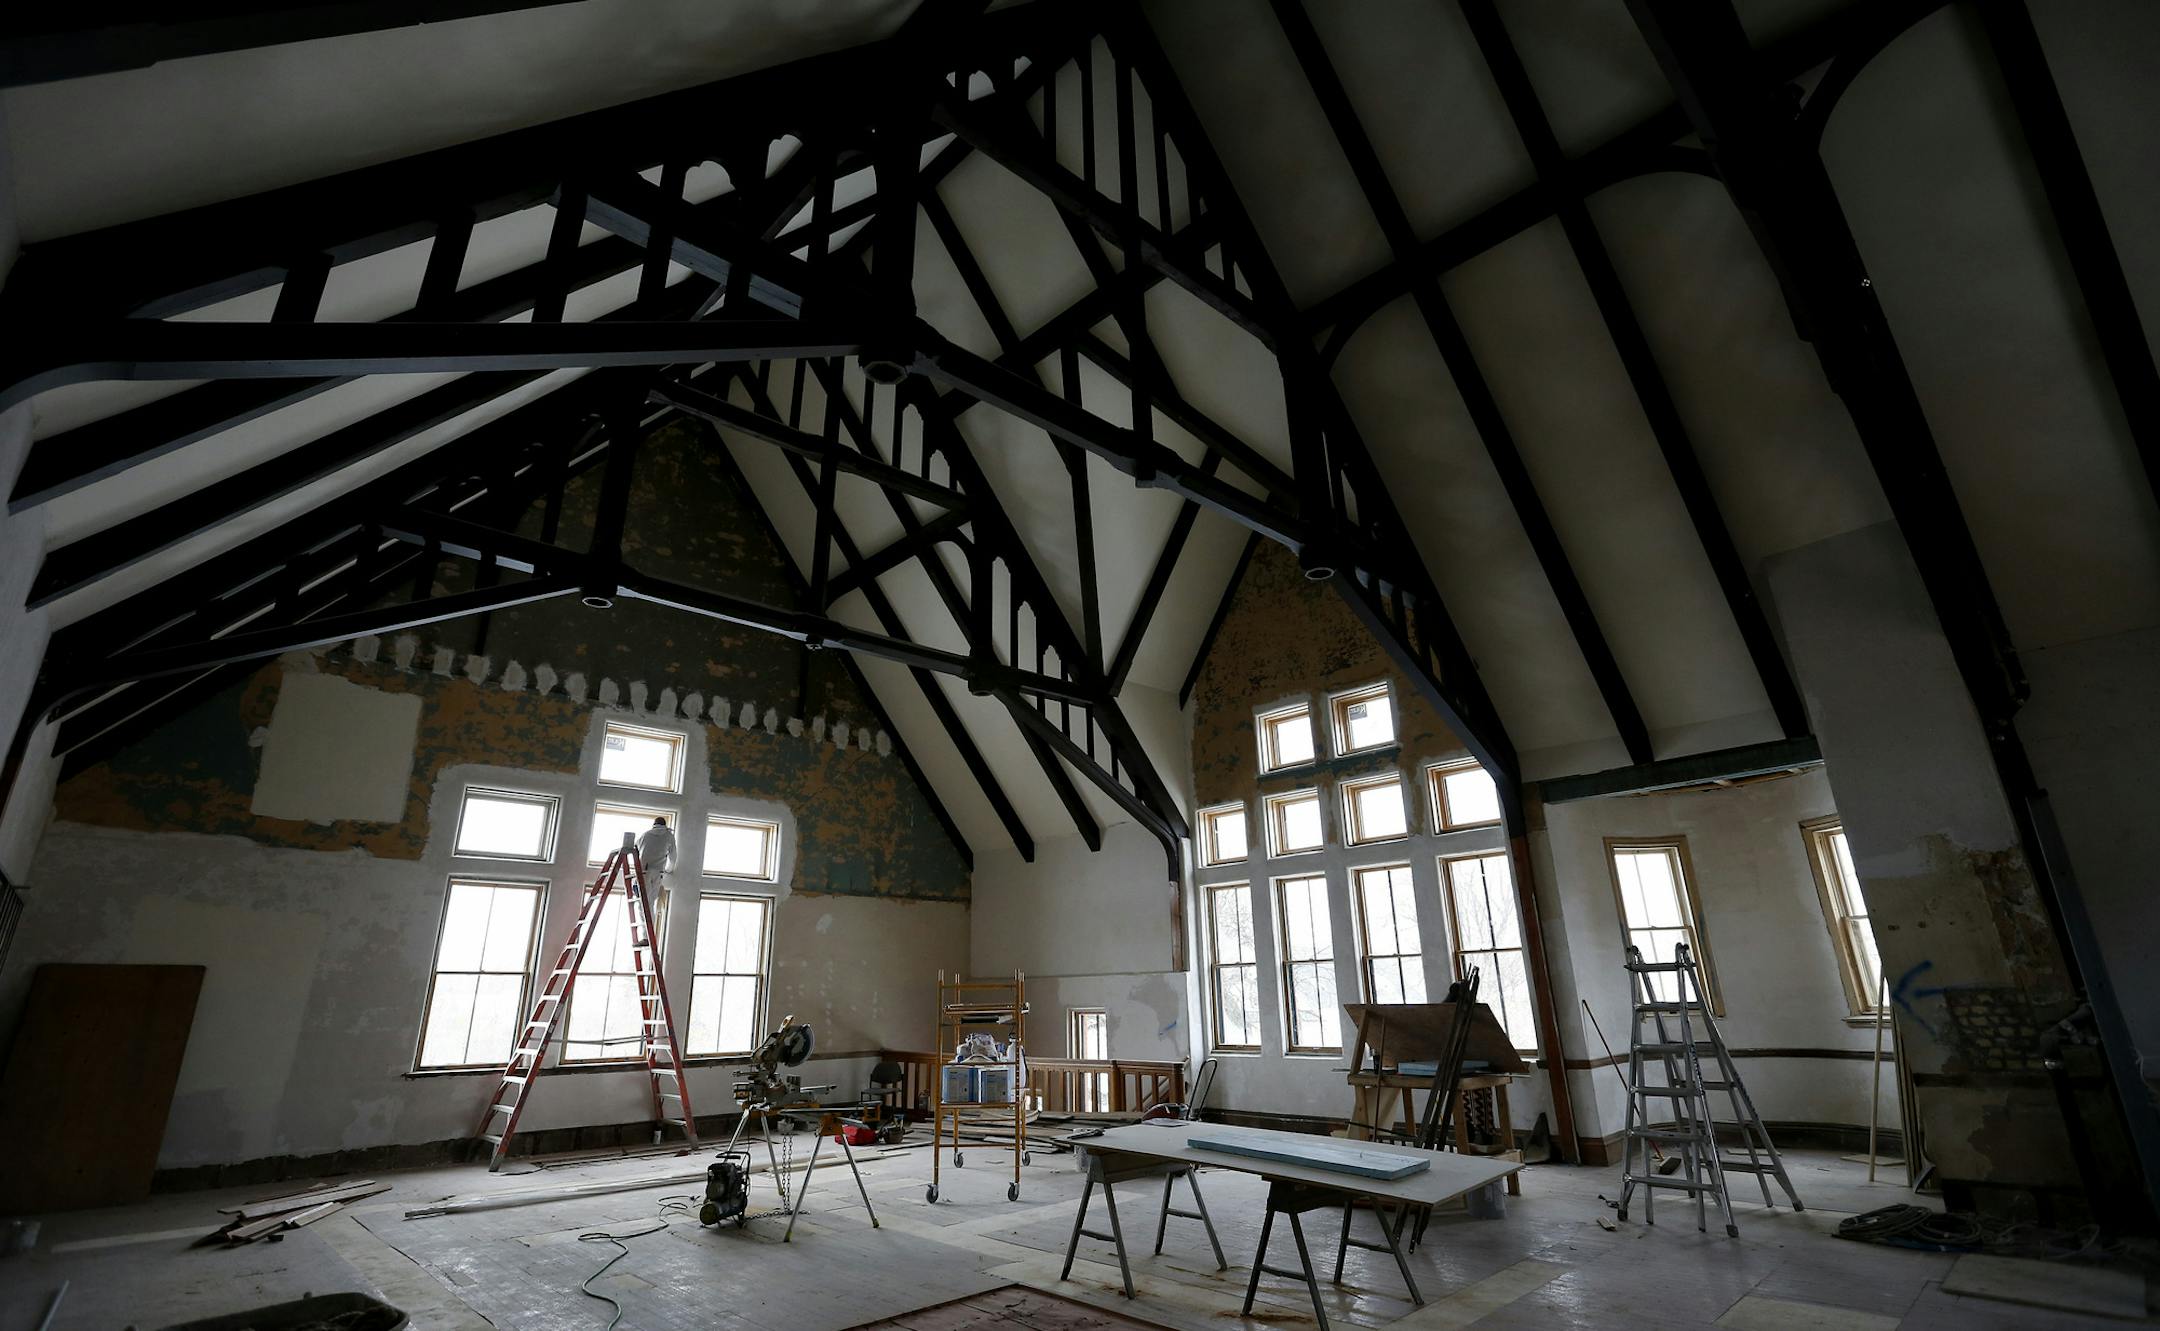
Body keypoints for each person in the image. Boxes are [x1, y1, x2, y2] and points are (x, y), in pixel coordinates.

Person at [635, 816, 676, 881]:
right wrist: (669, 869)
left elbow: (636, 849)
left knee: (643, 890)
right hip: (658, 871)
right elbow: (673, 856)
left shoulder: (646, 835)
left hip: (644, 869)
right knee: (654, 891)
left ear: (654, 824)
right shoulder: (669, 836)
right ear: (664, 824)